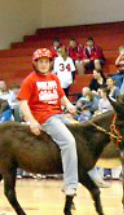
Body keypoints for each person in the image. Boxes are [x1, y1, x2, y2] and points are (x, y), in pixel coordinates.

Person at [18, 49, 79, 197]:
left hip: (58, 114)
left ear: (50, 63)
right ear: (35, 63)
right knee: (68, 142)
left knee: (83, 134)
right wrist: (32, 121)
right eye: (41, 62)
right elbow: (23, 103)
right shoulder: (30, 80)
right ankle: (70, 184)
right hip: (44, 118)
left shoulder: (54, 77)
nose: (44, 65)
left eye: (47, 61)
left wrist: (69, 105)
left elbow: (62, 96)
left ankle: (92, 176)